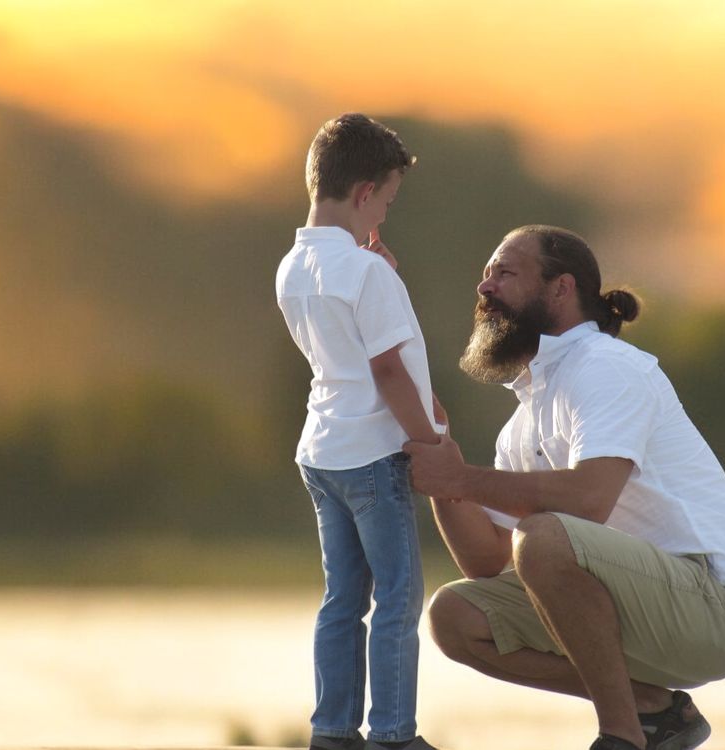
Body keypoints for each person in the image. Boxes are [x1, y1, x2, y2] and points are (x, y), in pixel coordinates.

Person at [403, 225, 725, 750]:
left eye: (504, 273)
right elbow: (486, 560)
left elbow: (590, 500)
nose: (485, 289)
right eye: (485, 277)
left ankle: (620, 737)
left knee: (544, 537)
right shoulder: (523, 419)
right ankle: (653, 710)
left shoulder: (606, 366)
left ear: (560, 288)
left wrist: (464, 479)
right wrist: (441, 469)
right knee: (454, 616)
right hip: (632, 608)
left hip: (715, 611)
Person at [276, 113, 444, 750]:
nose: (384, 219)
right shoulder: (367, 273)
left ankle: (332, 730)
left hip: (323, 449)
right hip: (376, 453)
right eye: (387, 203)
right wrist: (427, 439)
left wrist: (382, 272)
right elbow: (386, 366)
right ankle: (395, 735)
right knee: (399, 597)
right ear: (365, 191)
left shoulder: (292, 266)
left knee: (343, 598)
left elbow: (346, 350)